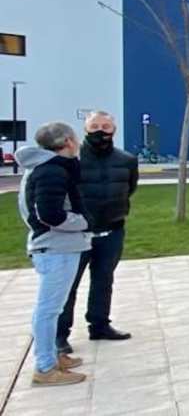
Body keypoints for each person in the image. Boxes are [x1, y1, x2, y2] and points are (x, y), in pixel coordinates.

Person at [17, 122, 91, 386]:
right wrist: (84, 222)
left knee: (53, 308)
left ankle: (53, 357)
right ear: (69, 141)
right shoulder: (51, 171)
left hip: (58, 246)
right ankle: (45, 367)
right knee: (48, 310)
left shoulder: (48, 169)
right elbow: (49, 214)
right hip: (55, 248)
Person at [58, 111, 137, 354]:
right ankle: (60, 335)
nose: (100, 131)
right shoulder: (72, 161)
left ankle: (100, 324)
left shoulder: (126, 160)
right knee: (68, 286)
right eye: (94, 127)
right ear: (85, 130)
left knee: (104, 280)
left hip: (112, 230)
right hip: (77, 234)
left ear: (114, 129)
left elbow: (129, 188)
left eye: (105, 126)